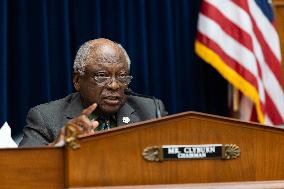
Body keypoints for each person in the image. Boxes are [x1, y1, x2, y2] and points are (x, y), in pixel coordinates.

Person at [19, 38, 168, 147]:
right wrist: (57, 149)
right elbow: (23, 172)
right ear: (77, 80)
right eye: (102, 76)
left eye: (122, 76)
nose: (114, 85)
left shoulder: (151, 111)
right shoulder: (45, 118)